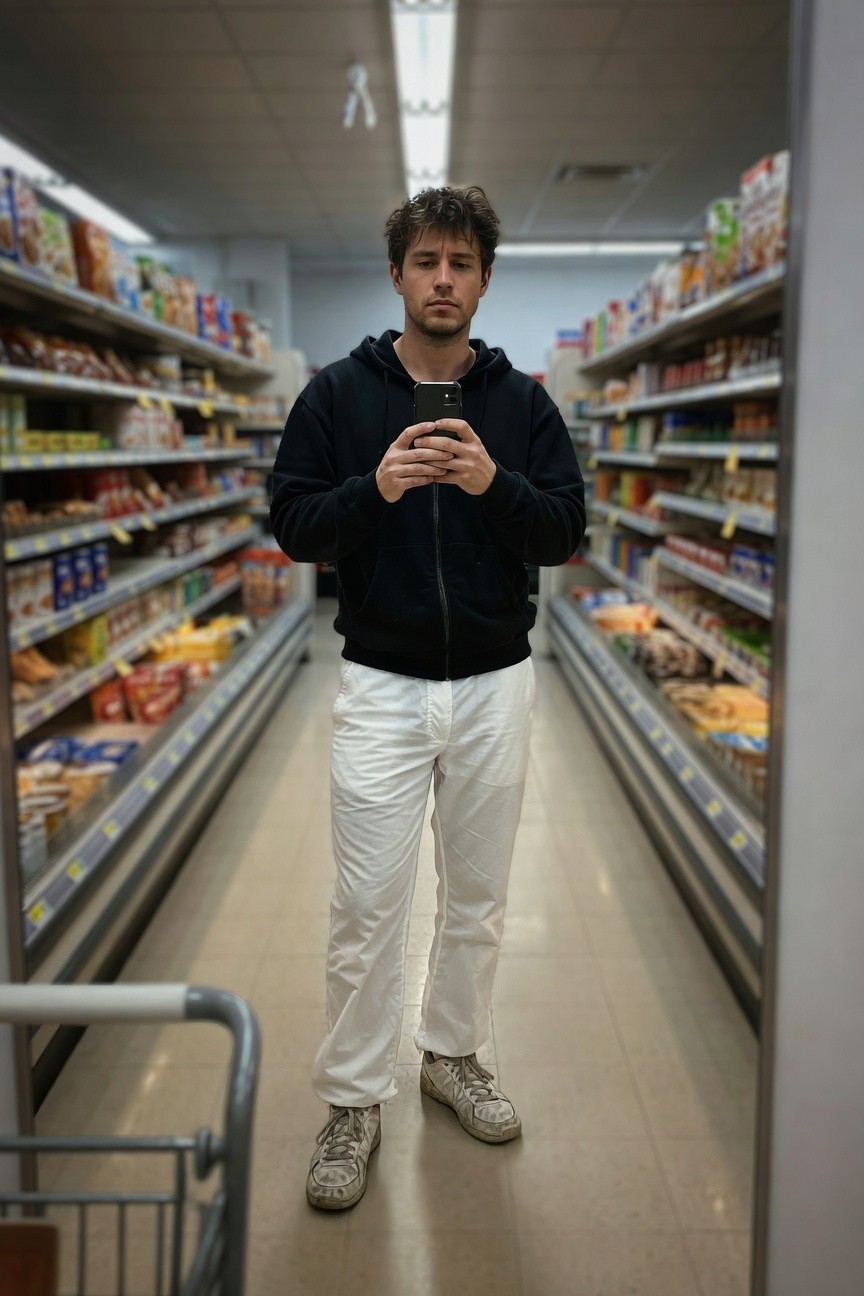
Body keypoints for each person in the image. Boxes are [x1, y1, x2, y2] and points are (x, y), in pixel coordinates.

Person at [270, 185, 585, 1211]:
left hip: (496, 680)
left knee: (481, 897)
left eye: (462, 263)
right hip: (381, 682)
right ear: (398, 275)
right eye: (427, 261)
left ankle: (452, 1057)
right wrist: (381, 489)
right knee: (367, 903)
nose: (443, 279)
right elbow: (296, 526)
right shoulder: (333, 396)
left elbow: (562, 533)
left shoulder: (525, 403)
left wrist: (492, 481)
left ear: (484, 280)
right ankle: (354, 1100)